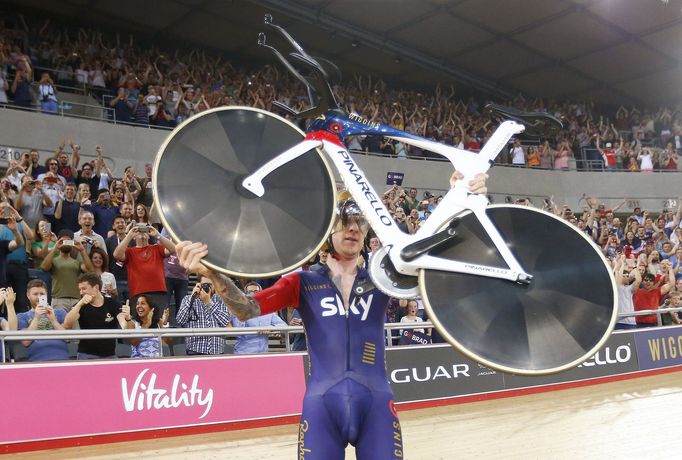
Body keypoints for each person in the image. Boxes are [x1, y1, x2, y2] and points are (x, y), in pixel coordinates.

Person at [175, 171, 487, 459]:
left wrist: (460, 198)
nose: (353, 228)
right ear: (329, 229)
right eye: (345, 221)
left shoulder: (385, 276)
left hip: (375, 403)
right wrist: (212, 274)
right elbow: (246, 309)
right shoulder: (302, 281)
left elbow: (437, 257)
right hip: (322, 406)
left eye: (360, 223)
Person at [63, 272, 132, 359]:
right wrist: (79, 304)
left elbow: (124, 326)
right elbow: (67, 324)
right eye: (80, 289)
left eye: (84, 289)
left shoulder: (112, 303)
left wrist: (128, 318)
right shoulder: (80, 305)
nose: (81, 292)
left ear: (96, 287)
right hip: (85, 355)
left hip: (109, 355)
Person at [175, 277, 231, 355]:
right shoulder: (188, 299)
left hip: (217, 351)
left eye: (210, 285)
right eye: (204, 285)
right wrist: (192, 297)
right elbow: (180, 320)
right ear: (198, 285)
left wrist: (209, 303)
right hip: (195, 350)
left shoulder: (221, 300)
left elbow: (225, 322)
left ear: (214, 286)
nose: (207, 287)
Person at [41, 229, 94, 311]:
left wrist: (82, 250)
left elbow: (90, 270)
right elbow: (44, 267)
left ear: (72, 243)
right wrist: (55, 247)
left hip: (76, 300)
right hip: (59, 299)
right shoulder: (54, 260)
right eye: (63, 241)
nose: (65, 243)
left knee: (76, 324)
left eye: (69, 241)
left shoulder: (77, 262)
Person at [15, 280, 69, 361]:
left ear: (47, 294)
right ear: (28, 295)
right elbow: (25, 342)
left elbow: (67, 339)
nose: (39, 297)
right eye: (35, 294)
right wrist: (36, 318)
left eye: (42, 294)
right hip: (37, 361)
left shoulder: (60, 312)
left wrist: (53, 320)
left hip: (62, 359)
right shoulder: (22, 316)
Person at [230, 282, 287, 354]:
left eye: (256, 292)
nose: (253, 294)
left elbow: (284, 325)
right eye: (250, 292)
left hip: (263, 354)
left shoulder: (268, 311)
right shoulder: (239, 309)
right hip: (244, 353)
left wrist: (270, 328)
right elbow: (238, 330)